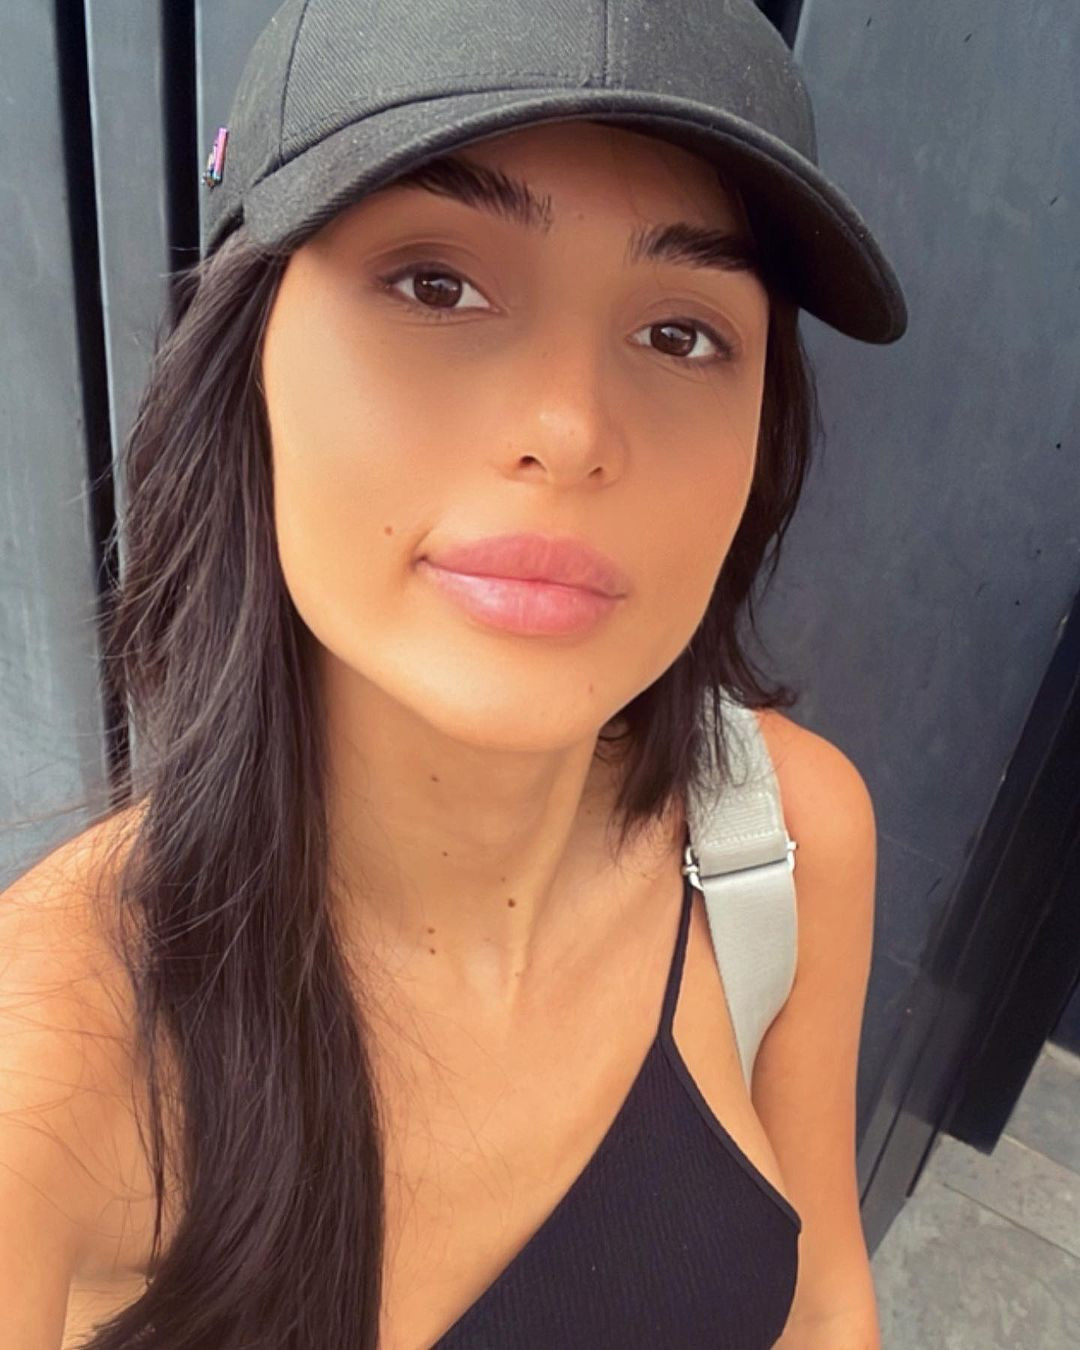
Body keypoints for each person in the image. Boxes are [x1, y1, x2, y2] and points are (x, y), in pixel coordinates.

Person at [1, 1, 905, 1346]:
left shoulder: (781, 845)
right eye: (436, 284)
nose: (569, 427)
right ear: (246, 365)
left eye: (680, 334)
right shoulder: (56, 1052)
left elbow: (824, 1300)